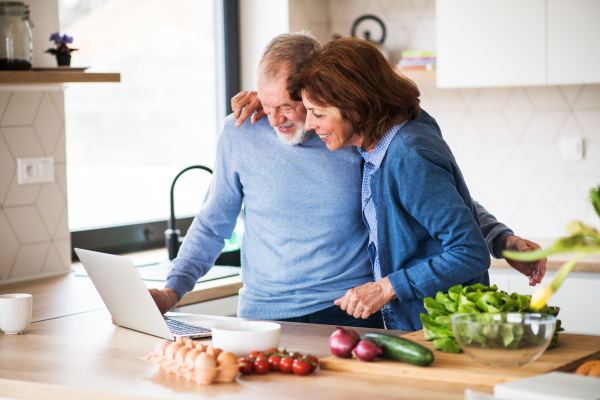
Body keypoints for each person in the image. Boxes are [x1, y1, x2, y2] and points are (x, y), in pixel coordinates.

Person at [150, 33, 545, 328]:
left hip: (351, 309)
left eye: (289, 106)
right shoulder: (241, 132)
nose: (274, 121)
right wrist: (173, 289)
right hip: (263, 313)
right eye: (267, 105)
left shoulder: (353, 134)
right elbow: (211, 223)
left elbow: (435, 193)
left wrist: (498, 238)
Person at [284, 37, 532, 331]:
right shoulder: (379, 144)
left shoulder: (408, 156)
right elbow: (447, 203)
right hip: (419, 325)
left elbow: (469, 252)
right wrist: (499, 236)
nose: (310, 125)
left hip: (438, 328)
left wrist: (385, 288)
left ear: (357, 107)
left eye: (318, 113)